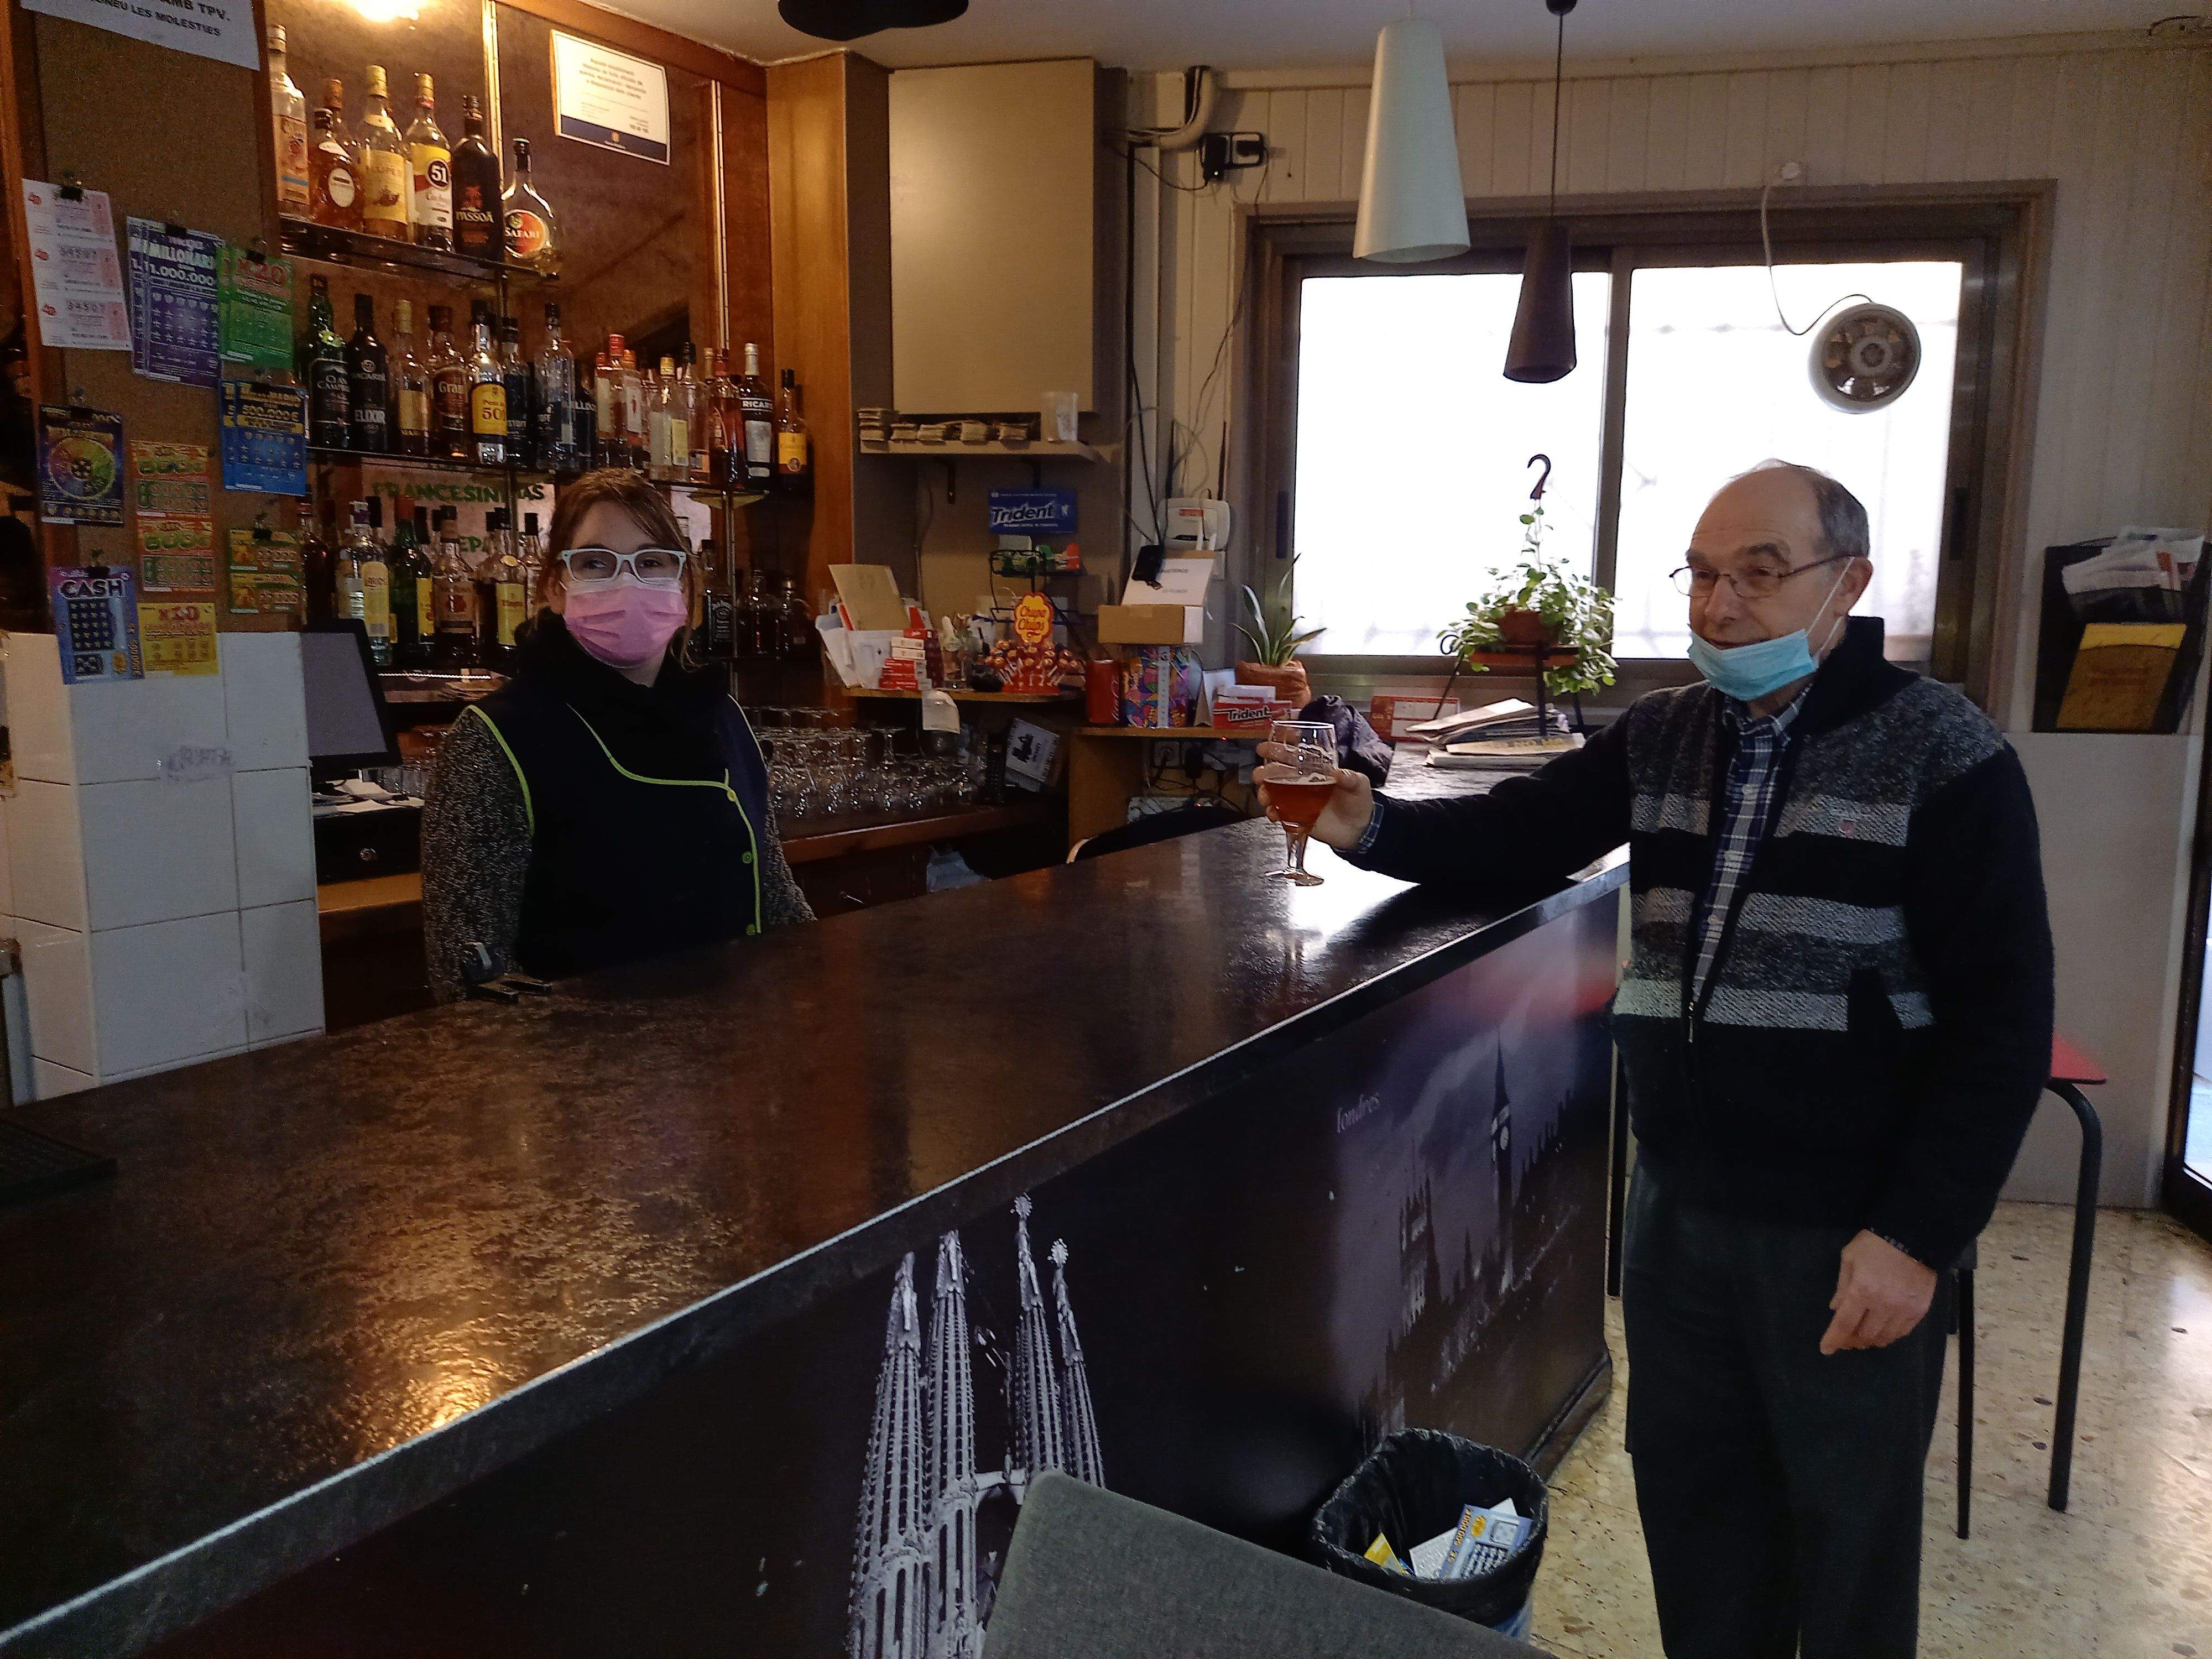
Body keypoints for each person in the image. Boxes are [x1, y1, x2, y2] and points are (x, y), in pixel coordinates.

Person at [1264, 460, 2053, 1658]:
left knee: (1842, 1537)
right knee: (1696, 1517)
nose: (1715, 604)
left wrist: (1914, 1236)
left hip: (1845, 1228)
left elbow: (2002, 1020)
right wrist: (1361, 822)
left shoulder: (1941, 753)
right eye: (1696, 572)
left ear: (1846, 583)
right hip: (1678, 1209)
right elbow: (1515, 835)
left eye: (1755, 572)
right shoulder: (1669, 734)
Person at [421, 469, 811, 1000]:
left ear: (685, 586)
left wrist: (818, 991)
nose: (627, 583)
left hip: (739, 1057)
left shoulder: (721, 715)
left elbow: (777, 898)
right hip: (586, 1070)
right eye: (596, 563)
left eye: (651, 562)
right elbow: (470, 974)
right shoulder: (496, 738)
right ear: (555, 588)